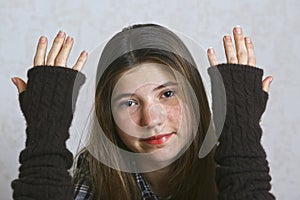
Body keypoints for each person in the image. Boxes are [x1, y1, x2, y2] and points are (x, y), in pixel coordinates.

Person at [11, 24, 275, 200]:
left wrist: (241, 138)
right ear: (109, 116)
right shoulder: (91, 182)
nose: (151, 120)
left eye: (167, 94)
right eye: (129, 102)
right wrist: (44, 139)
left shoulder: (231, 172)